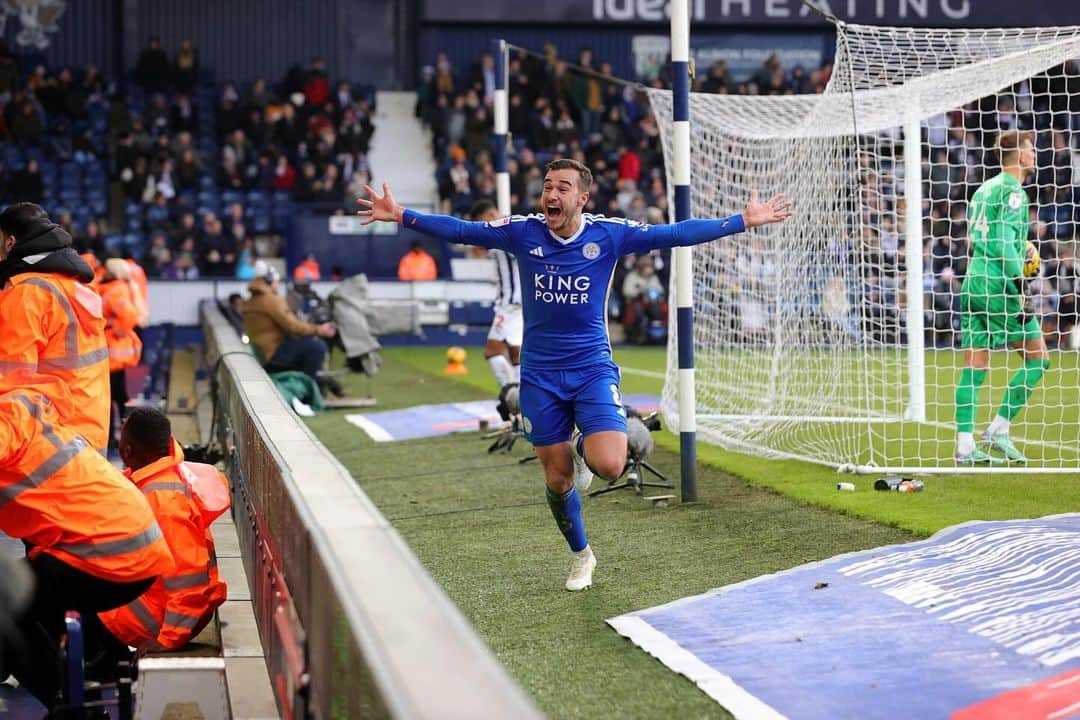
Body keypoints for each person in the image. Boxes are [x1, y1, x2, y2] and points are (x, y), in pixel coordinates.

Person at [358, 159, 792, 591]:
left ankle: (585, 445)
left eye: (562, 187)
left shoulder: (608, 234)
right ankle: (582, 555)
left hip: (591, 368)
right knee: (558, 479)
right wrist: (401, 215)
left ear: (582, 198)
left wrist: (741, 221)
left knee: (609, 464)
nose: (551, 194)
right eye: (548, 186)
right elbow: (461, 230)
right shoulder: (523, 231)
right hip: (540, 374)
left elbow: (675, 233)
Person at [0, 372, 174, 709]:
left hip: (109, 554)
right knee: (29, 594)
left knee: (8, 603)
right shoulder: (25, 408)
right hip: (125, 547)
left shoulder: (9, 416)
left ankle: (65, 703)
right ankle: (83, 675)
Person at [89, 408, 228, 665]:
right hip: (162, 609)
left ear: (127, 451)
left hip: (158, 620)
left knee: (64, 597)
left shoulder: (164, 502)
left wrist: (167, 640)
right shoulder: (159, 475)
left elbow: (189, 580)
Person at [954, 129, 1050, 465]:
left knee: (975, 366)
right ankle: (998, 429)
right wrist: (1020, 285)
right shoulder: (1013, 192)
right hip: (998, 284)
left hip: (973, 282)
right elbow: (1006, 245)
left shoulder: (983, 189)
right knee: (1039, 358)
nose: (1034, 154)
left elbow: (982, 238)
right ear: (1019, 156)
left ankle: (965, 446)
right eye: (1030, 149)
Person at [0, 202, 111, 451]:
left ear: (10, 242)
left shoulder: (26, 293)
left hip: (52, 443)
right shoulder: (75, 283)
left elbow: (11, 384)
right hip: (88, 437)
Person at [243, 260, 336, 380]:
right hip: (272, 353)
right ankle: (305, 388)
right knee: (317, 347)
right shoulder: (271, 300)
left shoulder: (251, 300)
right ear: (269, 281)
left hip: (262, 352)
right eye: (276, 281)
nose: (278, 285)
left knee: (303, 345)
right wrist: (319, 329)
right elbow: (293, 326)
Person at [470, 200, 523, 406]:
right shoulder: (502, 234)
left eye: (482, 222)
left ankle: (513, 399)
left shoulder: (507, 232)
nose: (482, 227)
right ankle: (520, 400)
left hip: (511, 304)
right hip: (516, 303)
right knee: (515, 353)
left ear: (491, 214)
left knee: (492, 351)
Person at [99, 259, 144, 450]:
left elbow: (128, 315)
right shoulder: (118, 287)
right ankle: (119, 438)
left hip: (114, 354)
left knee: (114, 397)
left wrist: (114, 330)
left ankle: (116, 438)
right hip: (115, 354)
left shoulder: (115, 290)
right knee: (117, 398)